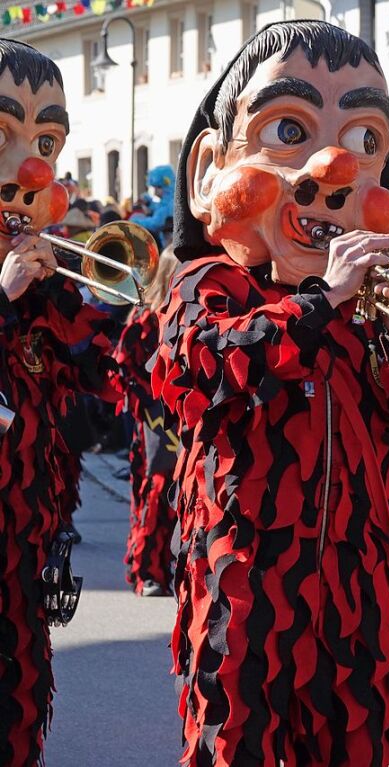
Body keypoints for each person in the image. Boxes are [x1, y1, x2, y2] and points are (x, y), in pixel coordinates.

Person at [151, 21, 389, 765]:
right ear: (210, 170)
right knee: (240, 740)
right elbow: (199, 374)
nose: (335, 168)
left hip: (356, 580)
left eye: (365, 143)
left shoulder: (364, 311)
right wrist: (318, 303)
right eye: (291, 130)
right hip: (249, 572)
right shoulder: (211, 287)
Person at [0, 38, 122, 764]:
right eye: (5, 136)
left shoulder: (43, 286)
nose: (31, 169)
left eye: (46, 140)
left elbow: (100, 403)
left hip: (21, 572)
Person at [116, 247, 179, 597]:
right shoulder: (146, 317)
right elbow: (125, 365)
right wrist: (155, 397)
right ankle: (148, 571)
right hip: (156, 417)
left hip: (185, 411)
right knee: (155, 490)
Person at [129, 164, 176, 248]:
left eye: (157, 188)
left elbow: (156, 223)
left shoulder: (171, 203)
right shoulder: (169, 200)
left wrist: (135, 221)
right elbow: (158, 207)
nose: (155, 192)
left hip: (169, 246)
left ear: (166, 186)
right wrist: (149, 202)